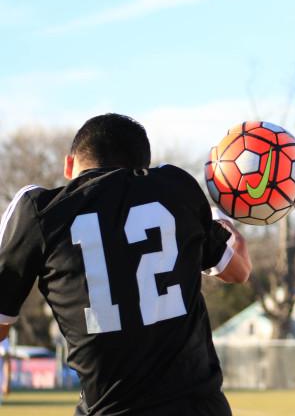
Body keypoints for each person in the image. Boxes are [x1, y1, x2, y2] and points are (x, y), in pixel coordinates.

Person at [0, 113, 251, 415]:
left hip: (112, 409)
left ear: (70, 165)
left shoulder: (39, 210)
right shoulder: (176, 189)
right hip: (200, 408)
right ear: (143, 166)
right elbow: (239, 271)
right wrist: (225, 219)